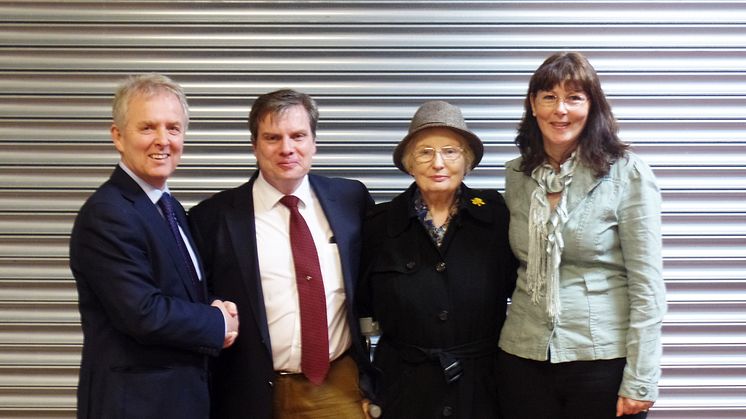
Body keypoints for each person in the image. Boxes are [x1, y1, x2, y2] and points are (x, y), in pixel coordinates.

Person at [497, 52, 667, 419]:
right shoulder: (517, 176)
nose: (561, 110)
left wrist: (642, 376)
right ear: (533, 104)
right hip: (523, 357)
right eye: (549, 97)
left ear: (592, 106)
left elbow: (647, 285)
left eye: (574, 97)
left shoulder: (626, 173)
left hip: (601, 360)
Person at [189, 89, 375, 419]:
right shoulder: (213, 218)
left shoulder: (350, 200)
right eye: (272, 137)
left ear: (314, 142)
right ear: (254, 146)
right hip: (249, 393)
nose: (287, 148)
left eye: (298, 136)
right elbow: (196, 301)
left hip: (336, 388)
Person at [69, 74, 239, 419]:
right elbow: (142, 312)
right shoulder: (107, 213)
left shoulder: (169, 208)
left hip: (179, 401)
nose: (162, 140)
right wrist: (216, 322)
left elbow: (176, 290)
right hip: (134, 406)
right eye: (147, 128)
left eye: (173, 128)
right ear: (118, 136)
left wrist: (213, 305)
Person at [358, 100, 517, 418]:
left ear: (467, 161)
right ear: (409, 163)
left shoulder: (497, 216)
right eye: (425, 152)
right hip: (403, 390)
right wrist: (364, 383)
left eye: (450, 151)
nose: (438, 163)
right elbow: (360, 312)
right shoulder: (380, 224)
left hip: (483, 389)